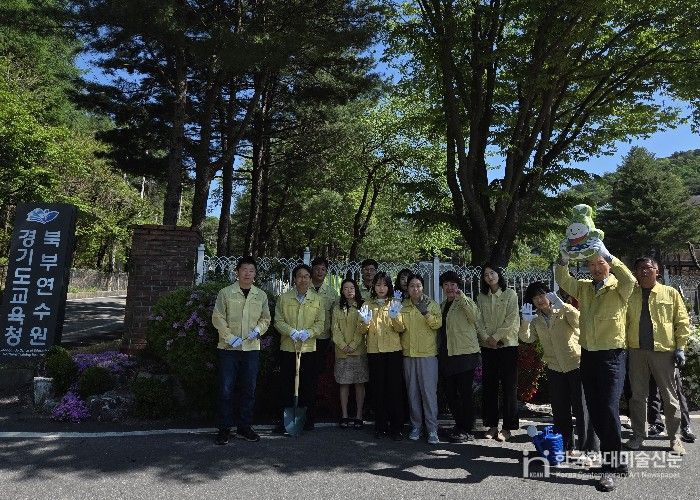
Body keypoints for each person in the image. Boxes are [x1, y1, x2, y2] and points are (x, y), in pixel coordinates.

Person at [555, 238, 635, 492]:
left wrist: (607, 254)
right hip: (588, 355)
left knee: (609, 409)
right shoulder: (584, 288)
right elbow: (563, 280)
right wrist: (563, 259)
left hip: (612, 356)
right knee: (595, 409)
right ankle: (616, 460)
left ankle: (609, 467)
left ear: (607, 264)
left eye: (600, 263)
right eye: (591, 264)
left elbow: (630, 278)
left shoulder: (620, 287)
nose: (596, 268)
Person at [519, 281, 599, 455]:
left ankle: (589, 449)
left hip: (576, 364)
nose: (539, 300)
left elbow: (579, 322)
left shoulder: (562, 310)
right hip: (554, 367)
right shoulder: (536, 319)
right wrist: (525, 322)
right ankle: (565, 446)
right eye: (535, 298)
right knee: (560, 410)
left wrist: (564, 306)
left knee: (582, 409)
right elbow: (527, 338)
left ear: (549, 295)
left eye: (542, 295)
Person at [624, 257, 690, 456]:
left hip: (664, 352)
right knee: (637, 397)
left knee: (670, 398)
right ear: (635, 273)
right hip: (636, 351)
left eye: (648, 267)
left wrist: (680, 347)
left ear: (657, 271)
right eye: (639, 268)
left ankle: (675, 438)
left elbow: (682, 321)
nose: (644, 271)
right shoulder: (629, 294)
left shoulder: (670, 293)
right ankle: (638, 435)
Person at [211, 256, 271, 445]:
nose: (247, 273)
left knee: (249, 389)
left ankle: (244, 427)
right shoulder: (226, 293)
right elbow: (217, 317)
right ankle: (224, 429)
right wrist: (229, 336)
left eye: (251, 270)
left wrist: (258, 330)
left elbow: (266, 318)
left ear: (255, 274)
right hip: (229, 348)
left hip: (251, 349)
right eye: (244, 269)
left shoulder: (260, 295)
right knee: (226, 390)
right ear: (237, 272)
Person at [273, 264, 325, 434]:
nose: (303, 279)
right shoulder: (284, 298)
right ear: (294, 279)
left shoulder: (317, 300)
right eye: (300, 276)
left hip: (308, 348)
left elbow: (320, 324)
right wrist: (291, 332)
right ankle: (284, 422)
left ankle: (307, 420)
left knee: (308, 385)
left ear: (310, 279)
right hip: (288, 347)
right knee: (286, 385)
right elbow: (278, 321)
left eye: (306, 276)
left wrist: (308, 333)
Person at [476, 264, 520, 442]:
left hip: (508, 346)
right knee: (490, 387)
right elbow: (478, 320)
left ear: (499, 274)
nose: (489, 276)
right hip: (488, 347)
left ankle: (508, 428)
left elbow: (511, 319)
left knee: (509, 388)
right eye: (486, 274)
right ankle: (492, 425)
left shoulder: (510, 294)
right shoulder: (481, 297)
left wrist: (495, 337)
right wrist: (487, 338)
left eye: (492, 273)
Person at [437, 271, 481, 443]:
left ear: (458, 286)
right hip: (448, 355)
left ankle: (467, 429)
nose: (449, 288)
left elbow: (475, 317)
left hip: (465, 354)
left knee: (465, 394)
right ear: (442, 287)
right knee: (450, 394)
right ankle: (459, 425)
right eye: (446, 284)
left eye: (453, 284)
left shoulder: (465, 301)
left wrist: (462, 298)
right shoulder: (442, 305)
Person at [363, 271, 406, 440]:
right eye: (378, 285)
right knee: (378, 389)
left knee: (394, 389)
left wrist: (394, 317)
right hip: (374, 351)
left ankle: (397, 427)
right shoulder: (367, 304)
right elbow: (361, 330)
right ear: (374, 287)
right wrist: (365, 322)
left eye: (385, 285)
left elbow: (401, 328)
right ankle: (380, 426)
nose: (381, 288)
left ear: (389, 287)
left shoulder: (395, 303)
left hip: (393, 351)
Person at [402, 273, 442, 444]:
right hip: (409, 355)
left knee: (429, 393)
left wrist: (425, 312)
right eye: (412, 286)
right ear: (408, 288)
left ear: (423, 287)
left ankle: (432, 429)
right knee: (412, 393)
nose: (415, 289)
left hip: (427, 355)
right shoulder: (403, 305)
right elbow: (399, 328)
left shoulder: (432, 304)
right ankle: (416, 426)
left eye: (418, 285)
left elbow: (437, 324)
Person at [332, 278, 369, 428]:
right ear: (342, 291)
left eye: (352, 288)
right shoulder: (337, 308)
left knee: (360, 383)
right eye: (346, 288)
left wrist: (353, 345)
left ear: (356, 290)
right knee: (344, 384)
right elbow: (335, 329)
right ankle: (345, 415)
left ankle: (359, 415)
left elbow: (362, 328)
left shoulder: (362, 306)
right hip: (342, 352)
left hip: (358, 351)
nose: (349, 291)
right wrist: (343, 345)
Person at [309, 257, 339, 428]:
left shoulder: (332, 293)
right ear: (312, 270)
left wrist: (333, 339)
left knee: (322, 374)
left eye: (323, 269)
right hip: (306, 338)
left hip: (324, 339)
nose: (320, 272)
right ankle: (308, 407)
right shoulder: (304, 288)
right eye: (317, 268)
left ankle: (321, 407)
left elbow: (335, 319)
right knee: (307, 374)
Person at [647, 369, 696, 443]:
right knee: (653, 390)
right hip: (651, 362)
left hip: (670, 363)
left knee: (677, 393)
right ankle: (656, 425)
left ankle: (685, 426)